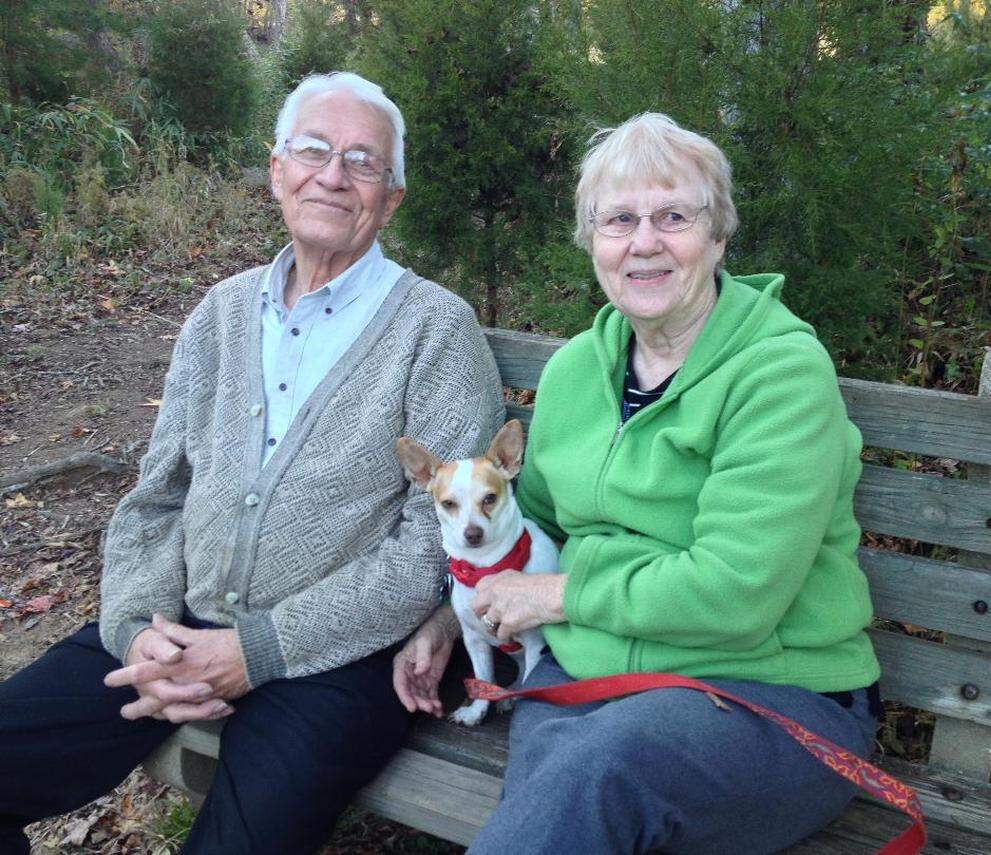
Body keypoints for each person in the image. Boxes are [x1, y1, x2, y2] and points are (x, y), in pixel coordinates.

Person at [0, 72, 503, 855]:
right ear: (277, 171)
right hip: (176, 623)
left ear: (392, 197)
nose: (333, 175)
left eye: (364, 162)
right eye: (313, 151)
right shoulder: (220, 313)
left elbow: (427, 548)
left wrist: (256, 651)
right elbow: (155, 498)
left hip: (340, 658)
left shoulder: (436, 330)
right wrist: (136, 631)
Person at [395, 113, 882, 853]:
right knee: (567, 797)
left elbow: (736, 591)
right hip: (583, 685)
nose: (644, 241)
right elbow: (529, 533)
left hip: (764, 697)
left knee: (594, 777)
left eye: (674, 217)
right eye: (619, 219)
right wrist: (449, 616)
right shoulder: (572, 375)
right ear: (593, 242)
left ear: (718, 236)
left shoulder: (780, 374)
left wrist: (557, 596)